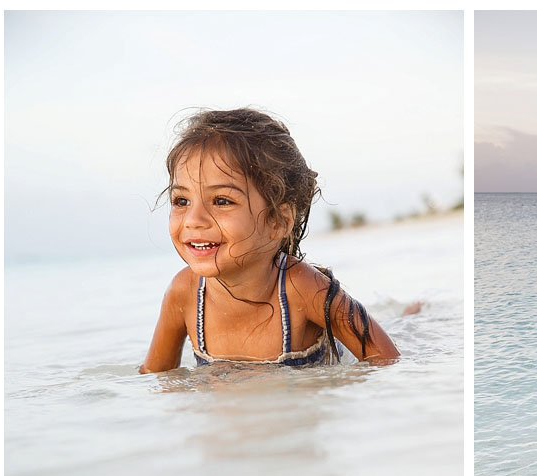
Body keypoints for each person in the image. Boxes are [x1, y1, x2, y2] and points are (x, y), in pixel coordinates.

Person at [140, 108, 400, 373]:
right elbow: (156, 377)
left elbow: (385, 360)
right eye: (181, 201)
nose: (193, 220)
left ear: (277, 221)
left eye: (221, 201)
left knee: (403, 322)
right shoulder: (184, 293)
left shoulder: (303, 289)